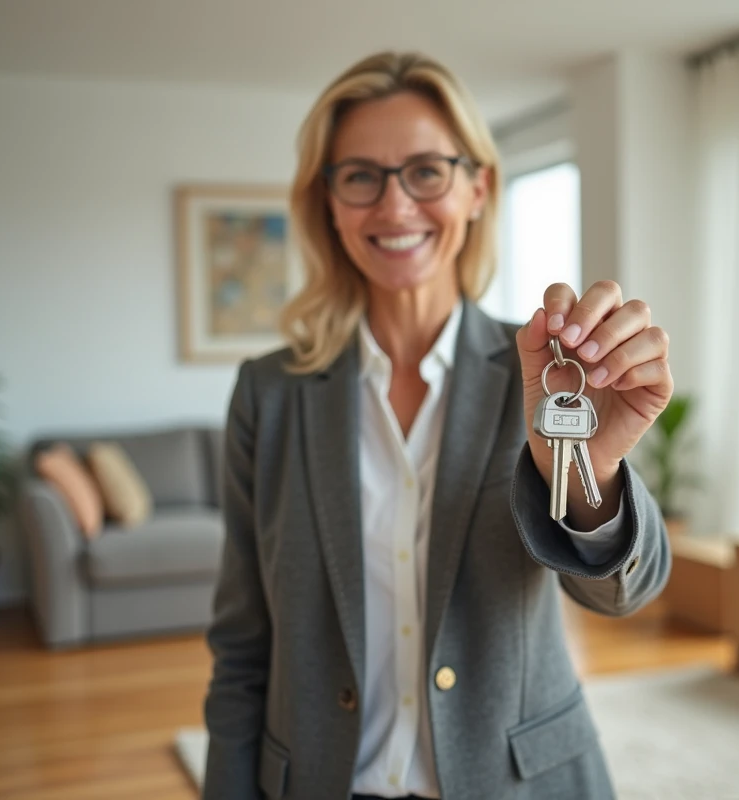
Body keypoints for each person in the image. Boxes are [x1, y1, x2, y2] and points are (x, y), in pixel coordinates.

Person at [202, 50, 674, 800]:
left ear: (478, 187)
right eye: (360, 175)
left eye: (426, 170)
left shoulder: (548, 374)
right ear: (327, 200)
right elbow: (242, 643)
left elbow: (625, 593)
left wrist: (594, 472)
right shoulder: (269, 395)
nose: (394, 207)